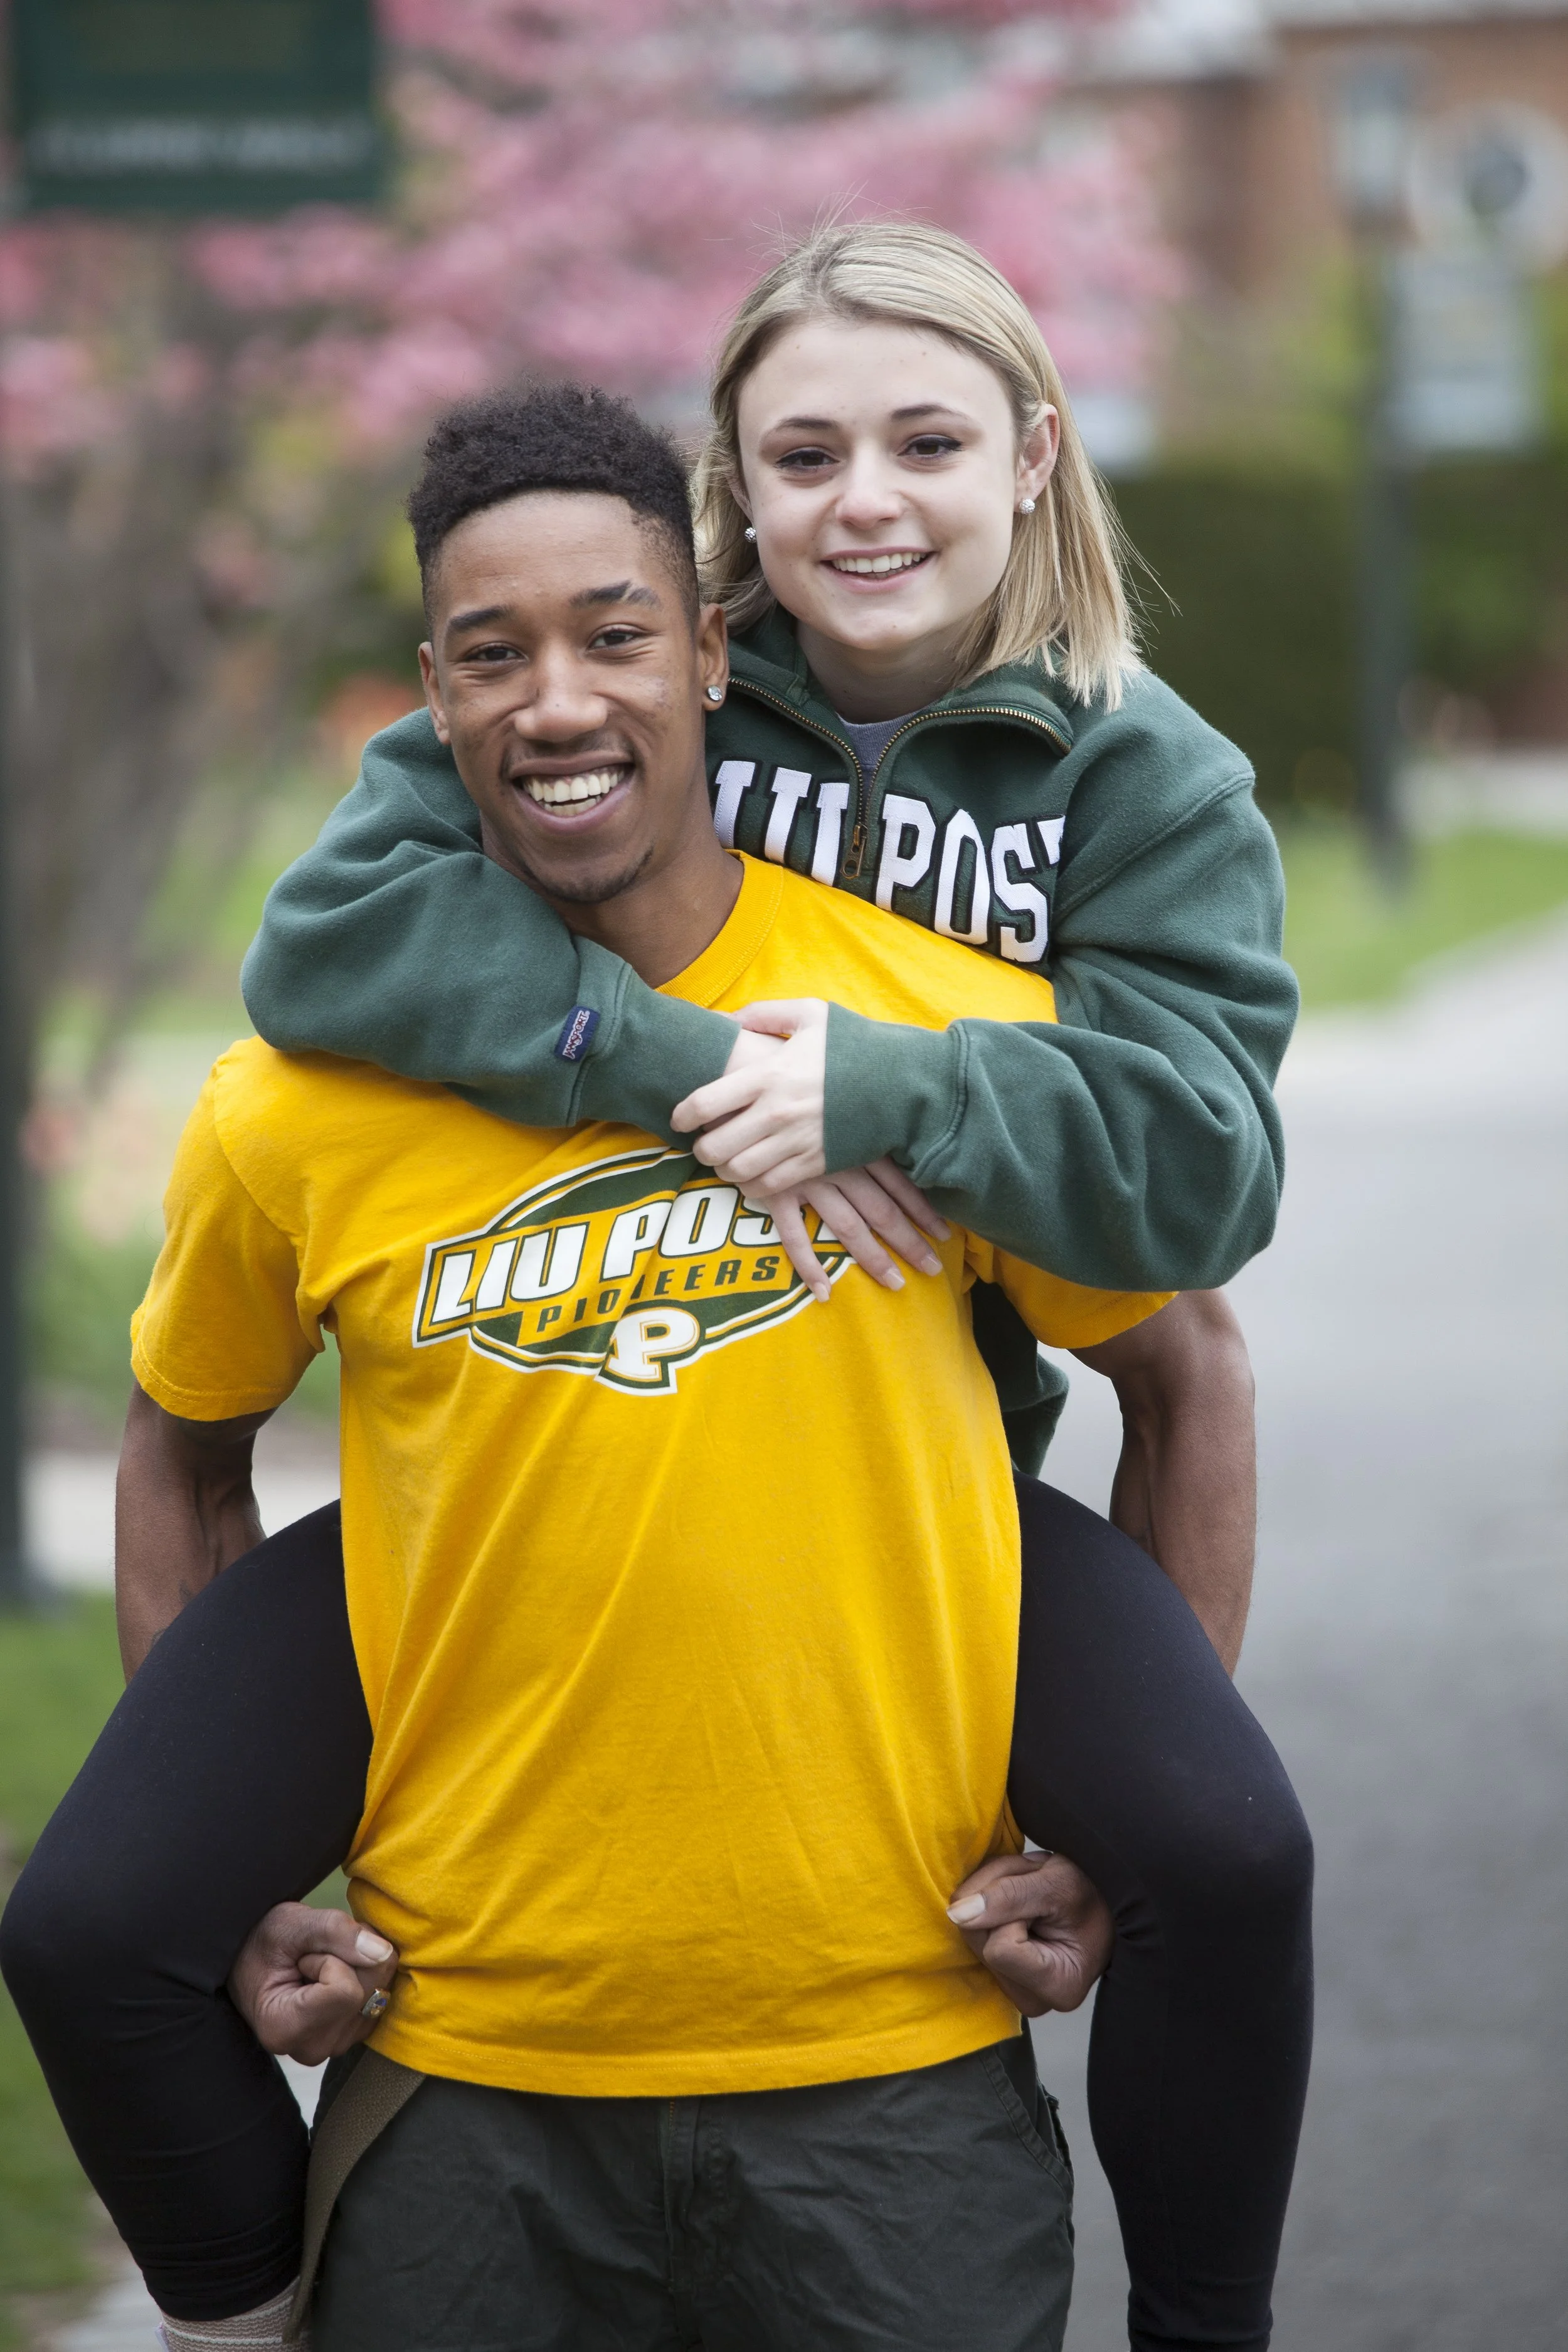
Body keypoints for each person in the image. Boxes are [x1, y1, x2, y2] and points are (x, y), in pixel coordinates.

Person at [4, 218, 1313, 2352]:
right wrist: (715, 1071)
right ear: (734, 508)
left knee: (1228, 1856)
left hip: (926, 1452)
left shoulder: (1135, 774)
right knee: (88, 1919)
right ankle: (241, 2314)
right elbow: (325, 940)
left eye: (924, 441)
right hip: (520, 1460)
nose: (863, 499)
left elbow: (1194, 1207)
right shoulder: (604, 665)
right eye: (803, 452)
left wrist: (888, 1088)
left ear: (1032, 458)